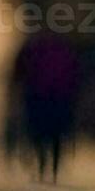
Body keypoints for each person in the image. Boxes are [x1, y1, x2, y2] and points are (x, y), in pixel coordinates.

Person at [13, 31, 82, 182]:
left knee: (39, 134)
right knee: (56, 136)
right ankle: (54, 169)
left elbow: (19, 70)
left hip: (37, 97)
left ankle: (42, 164)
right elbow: (75, 73)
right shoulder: (65, 48)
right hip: (60, 98)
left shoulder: (33, 47)